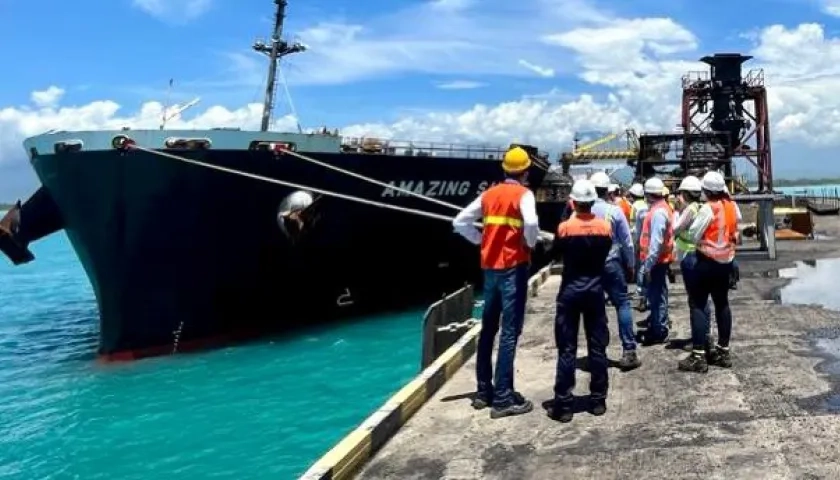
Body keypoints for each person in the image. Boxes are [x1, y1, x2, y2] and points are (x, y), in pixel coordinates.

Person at [452, 145, 547, 418]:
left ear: (505, 169)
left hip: (489, 268)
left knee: (488, 328)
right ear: (526, 172)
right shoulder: (524, 194)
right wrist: (529, 244)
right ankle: (503, 398)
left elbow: (460, 222)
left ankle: (484, 391)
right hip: (513, 268)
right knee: (509, 332)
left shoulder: (489, 194)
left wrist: (481, 241)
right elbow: (530, 224)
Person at [547, 179, 613, 422]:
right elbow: (605, 252)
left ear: (573, 202)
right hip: (595, 291)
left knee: (567, 348)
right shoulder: (605, 228)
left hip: (570, 292)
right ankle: (597, 401)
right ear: (592, 202)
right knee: (597, 346)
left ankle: (563, 405)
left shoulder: (564, 228)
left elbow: (553, 255)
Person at [678, 171, 738, 372]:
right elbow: (734, 224)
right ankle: (723, 351)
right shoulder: (731, 206)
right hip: (726, 262)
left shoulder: (708, 209)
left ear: (707, 191)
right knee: (722, 304)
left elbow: (694, 234)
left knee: (698, 305)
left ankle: (698, 356)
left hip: (706, 262)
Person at [589, 172, 640, 370]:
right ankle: (629, 351)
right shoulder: (614, 211)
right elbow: (627, 242)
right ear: (608, 190)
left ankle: (598, 349)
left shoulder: (581, 211)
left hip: (589, 267)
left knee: (595, 307)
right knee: (622, 304)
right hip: (611, 263)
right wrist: (631, 264)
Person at [637, 177, 673, 345]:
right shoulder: (661, 208)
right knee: (659, 295)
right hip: (659, 260)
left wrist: (648, 266)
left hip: (656, 261)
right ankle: (659, 326)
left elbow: (656, 241)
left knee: (656, 297)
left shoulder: (658, 212)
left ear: (649, 194)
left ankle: (658, 331)